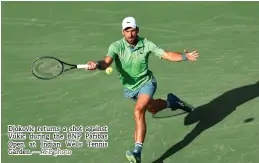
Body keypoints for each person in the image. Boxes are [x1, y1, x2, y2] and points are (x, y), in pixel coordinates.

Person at [86, 16, 199, 163]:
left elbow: (167, 55)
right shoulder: (116, 47)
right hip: (130, 89)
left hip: (147, 83)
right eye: (127, 31)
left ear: (137, 30)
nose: (130, 34)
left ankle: (137, 152)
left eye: (133, 30)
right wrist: (96, 64)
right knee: (152, 108)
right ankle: (172, 102)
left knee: (139, 110)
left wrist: (185, 56)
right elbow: (106, 62)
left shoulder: (146, 44)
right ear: (123, 32)